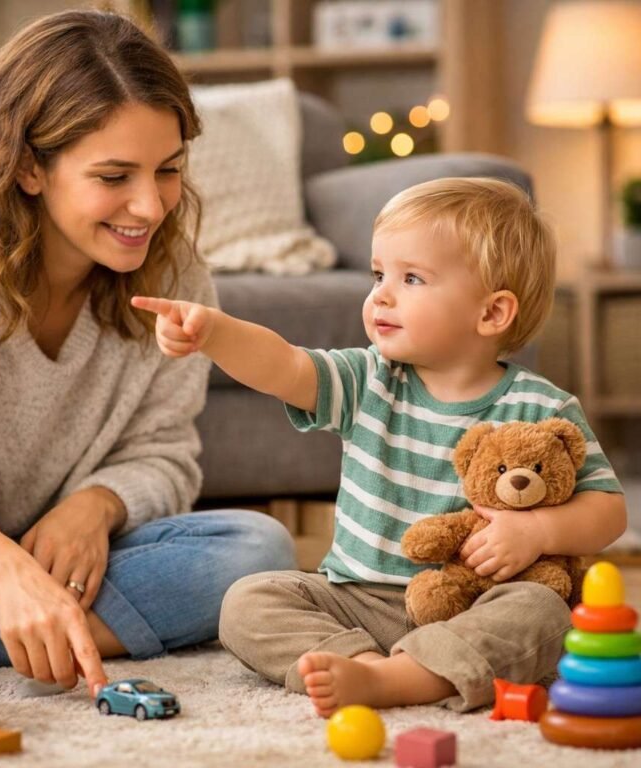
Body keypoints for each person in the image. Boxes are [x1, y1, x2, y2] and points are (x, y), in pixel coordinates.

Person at [0, 10, 295, 700]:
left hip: (56, 564)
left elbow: (164, 452)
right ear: (29, 167)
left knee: (258, 550)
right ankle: (48, 625)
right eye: (114, 175)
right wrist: (11, 577)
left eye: (167, 170)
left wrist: (96, 506)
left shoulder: (176, 276)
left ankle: (17, 630)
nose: (150, 207)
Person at [132, 177, 627, 717]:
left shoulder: (543, 408)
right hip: (361, 600)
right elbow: (283, 365)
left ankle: (401, 677)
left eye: (411, 278)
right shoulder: (368, 378)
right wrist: (215, 333)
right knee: (247, 601)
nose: (381, 295)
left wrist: (538, 532)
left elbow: (608, 511)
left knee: (542, 610)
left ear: (491, 313)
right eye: (378, 275)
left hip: (476, 603)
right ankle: (367, 667)